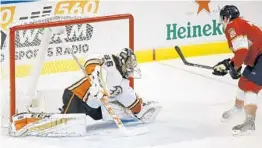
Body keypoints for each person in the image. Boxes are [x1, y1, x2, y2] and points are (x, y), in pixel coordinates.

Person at [61, 48, 161, 123]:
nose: (131, 67)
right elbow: (90, 60)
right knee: (68, 125)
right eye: (129, 63)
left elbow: (132, 102)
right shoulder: (110, 61)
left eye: (132, 64)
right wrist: (95, 78)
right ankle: (56, 117)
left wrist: (141, 109)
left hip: (96, 107)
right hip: (78, 97)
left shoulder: (123, 84)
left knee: (122, 110)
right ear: (122, 61)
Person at [212, 5, 262, 135]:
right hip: (257, 59)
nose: (222, 20)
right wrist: (234, 65)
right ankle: (238, 109)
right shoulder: (240, 23)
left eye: (223, 17)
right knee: (243, 83)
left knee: (251, 87)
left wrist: (232, 65)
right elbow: (244, 51)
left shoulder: (232, 26)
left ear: (227, 17)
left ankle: (250, 123)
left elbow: (242, 51)